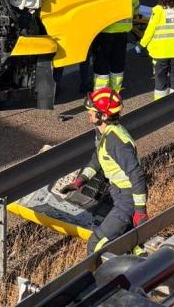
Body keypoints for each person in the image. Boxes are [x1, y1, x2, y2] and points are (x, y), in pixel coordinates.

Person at [60, 88, 148, 254]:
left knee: (96, 244)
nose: (89, 113)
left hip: (127, 198)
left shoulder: (116, 141)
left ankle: (96, 279)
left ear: (104, 116)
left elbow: (137, 175)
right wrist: (80, 181)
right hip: (119, 193)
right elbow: (98, 158)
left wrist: (140, 211)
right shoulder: (103, 132)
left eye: (92, 111)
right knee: (131, 243)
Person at [90, 0, 140, 93]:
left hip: (103, 29)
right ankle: (115, 92)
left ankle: (101, 94)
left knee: (102, 63)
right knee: (117, 63)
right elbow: (135, 3)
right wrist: (134, 14)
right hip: (122, 29)